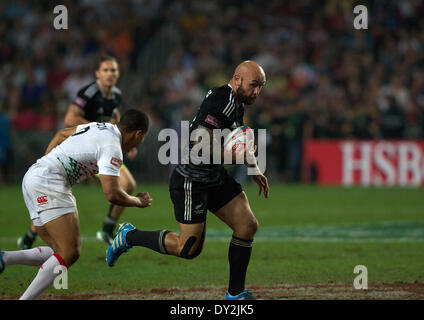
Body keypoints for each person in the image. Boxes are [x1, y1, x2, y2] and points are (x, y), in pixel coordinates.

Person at [107, 61, 269, 300]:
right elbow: (199, 144)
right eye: (253, 85)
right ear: (237, 79)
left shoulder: (235, 102)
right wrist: (234, 156)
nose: (256, 91)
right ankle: (129, 235)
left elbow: (240, 137)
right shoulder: (222, 101)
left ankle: (235, 295)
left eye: (261, 87)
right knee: (188, 249)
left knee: (247, 225)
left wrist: (253, 168)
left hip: (212, 176)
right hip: (191, 180)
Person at [0, 109, 151, 300]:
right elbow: (112, 194)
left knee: (58, 250)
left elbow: (61, 134)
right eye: (141, 139)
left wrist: (45, 165)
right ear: (138, 134)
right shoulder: (113, 146)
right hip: (49, 183)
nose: (137, 145)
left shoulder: (100, 127)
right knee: (70, 252)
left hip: (34, 176)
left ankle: (5, 258)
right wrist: (138, 201)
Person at [18, 54, 137, 248]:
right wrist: (98, 129)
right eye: (105, 70)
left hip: (102, 152)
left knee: (128, 184)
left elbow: (115, 117)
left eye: (113, 70)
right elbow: (69, 119)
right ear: (97, 73)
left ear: (118, 73)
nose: (110, 74)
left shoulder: (116, 94)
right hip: (81, 150)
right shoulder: (89, 93)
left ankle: (107, 229)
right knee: (56, 193)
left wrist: (123, 143)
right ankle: (30, 236)